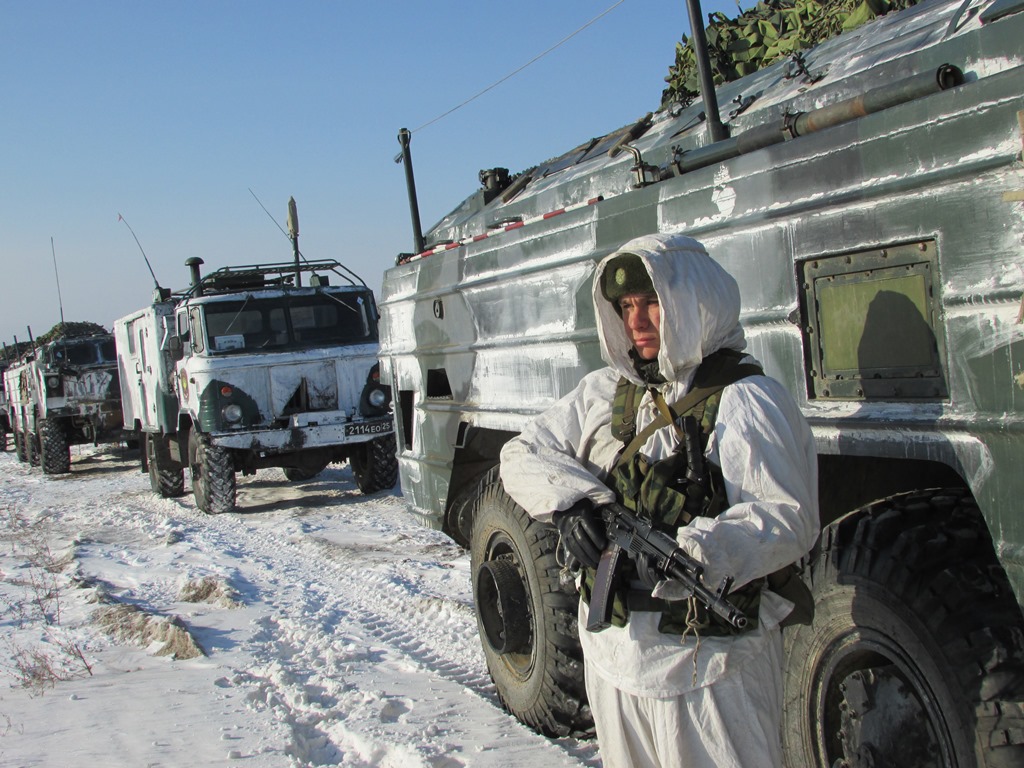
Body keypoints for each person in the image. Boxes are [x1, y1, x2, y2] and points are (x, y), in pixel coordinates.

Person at [499, 233, 819, 768]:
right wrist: (576, 502)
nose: (636, 322)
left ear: (693, 301)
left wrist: (695, 551)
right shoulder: (606, 394)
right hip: (614, 658)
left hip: (710, 668)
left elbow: (785, 516)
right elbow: (522, 453)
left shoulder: (746, 400)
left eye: (651, 303)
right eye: (625, 307)